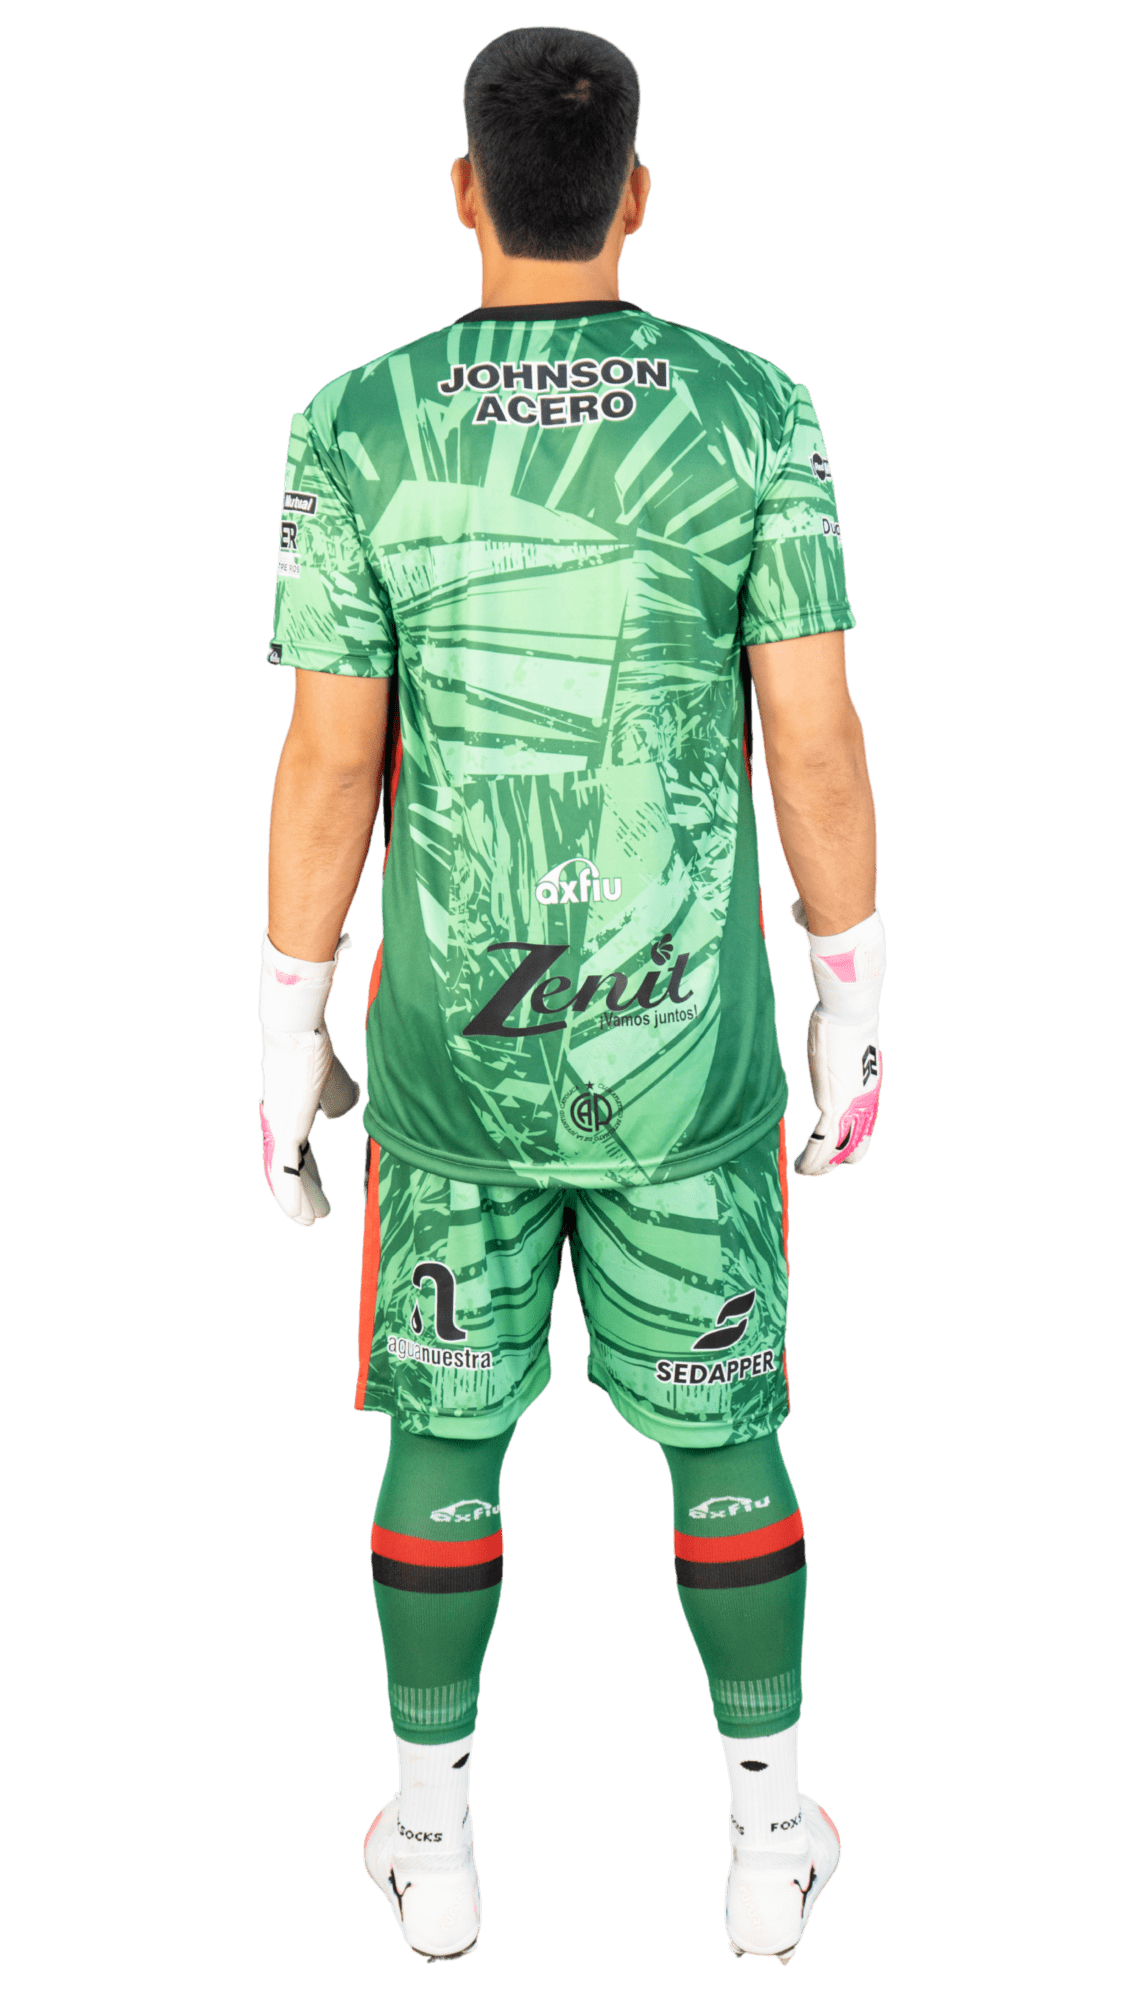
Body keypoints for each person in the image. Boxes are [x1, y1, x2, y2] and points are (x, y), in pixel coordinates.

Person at [258, 24, 883, 1967]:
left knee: (443, 1429)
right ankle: (764, 1844)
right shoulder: (756, 413)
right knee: (727, 1426)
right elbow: (813, 737)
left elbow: (329, 763)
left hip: (453, 1052)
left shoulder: (354, 425)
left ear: (465, 188)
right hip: (682, 1046)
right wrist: (851, 993)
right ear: (635, 195)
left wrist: (284, 1021)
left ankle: (434, 1847)